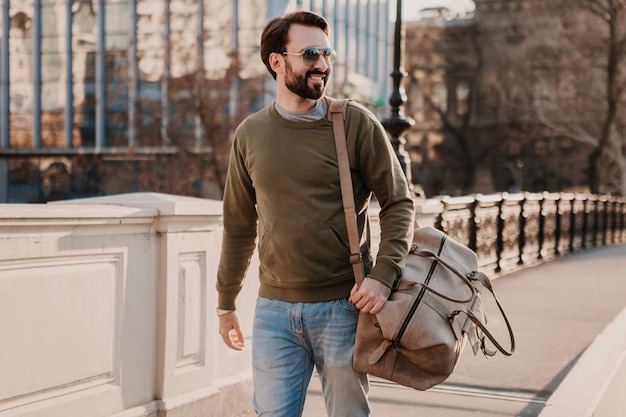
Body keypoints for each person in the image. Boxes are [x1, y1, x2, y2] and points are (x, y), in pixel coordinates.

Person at [216, 10, 415, 417]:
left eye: (327, 53)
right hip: (272, 310)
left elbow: (398, 202)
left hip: (344, 306)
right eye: (310, 53)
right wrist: (226, 303)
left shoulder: (354, 123)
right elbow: (238, 225)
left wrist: (383, 277)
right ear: (277, 61)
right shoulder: (250, 134)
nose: (322, 64)